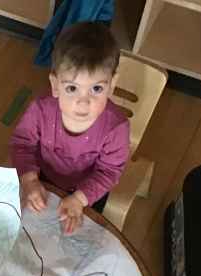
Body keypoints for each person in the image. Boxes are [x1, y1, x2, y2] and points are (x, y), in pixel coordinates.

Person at [10, 22, 130, 234]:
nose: (83, 102)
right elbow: (22, 144)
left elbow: (109, 172)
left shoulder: (116, 128)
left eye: (96, 88)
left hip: (88, 191)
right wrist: (29, 179)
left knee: (77, 237)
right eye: (72, 88)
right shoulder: (40, 110)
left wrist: (79, 199)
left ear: (112, 85)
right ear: (55, 85)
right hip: (42, 177)